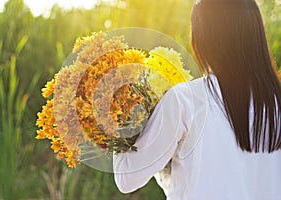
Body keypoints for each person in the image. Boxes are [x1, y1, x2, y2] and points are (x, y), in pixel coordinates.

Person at [113, 0, 281, 199]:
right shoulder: (276, 102)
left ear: (203, 39)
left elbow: (127, 178)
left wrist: (122, 117)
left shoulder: (185, 100)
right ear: (256, 35)